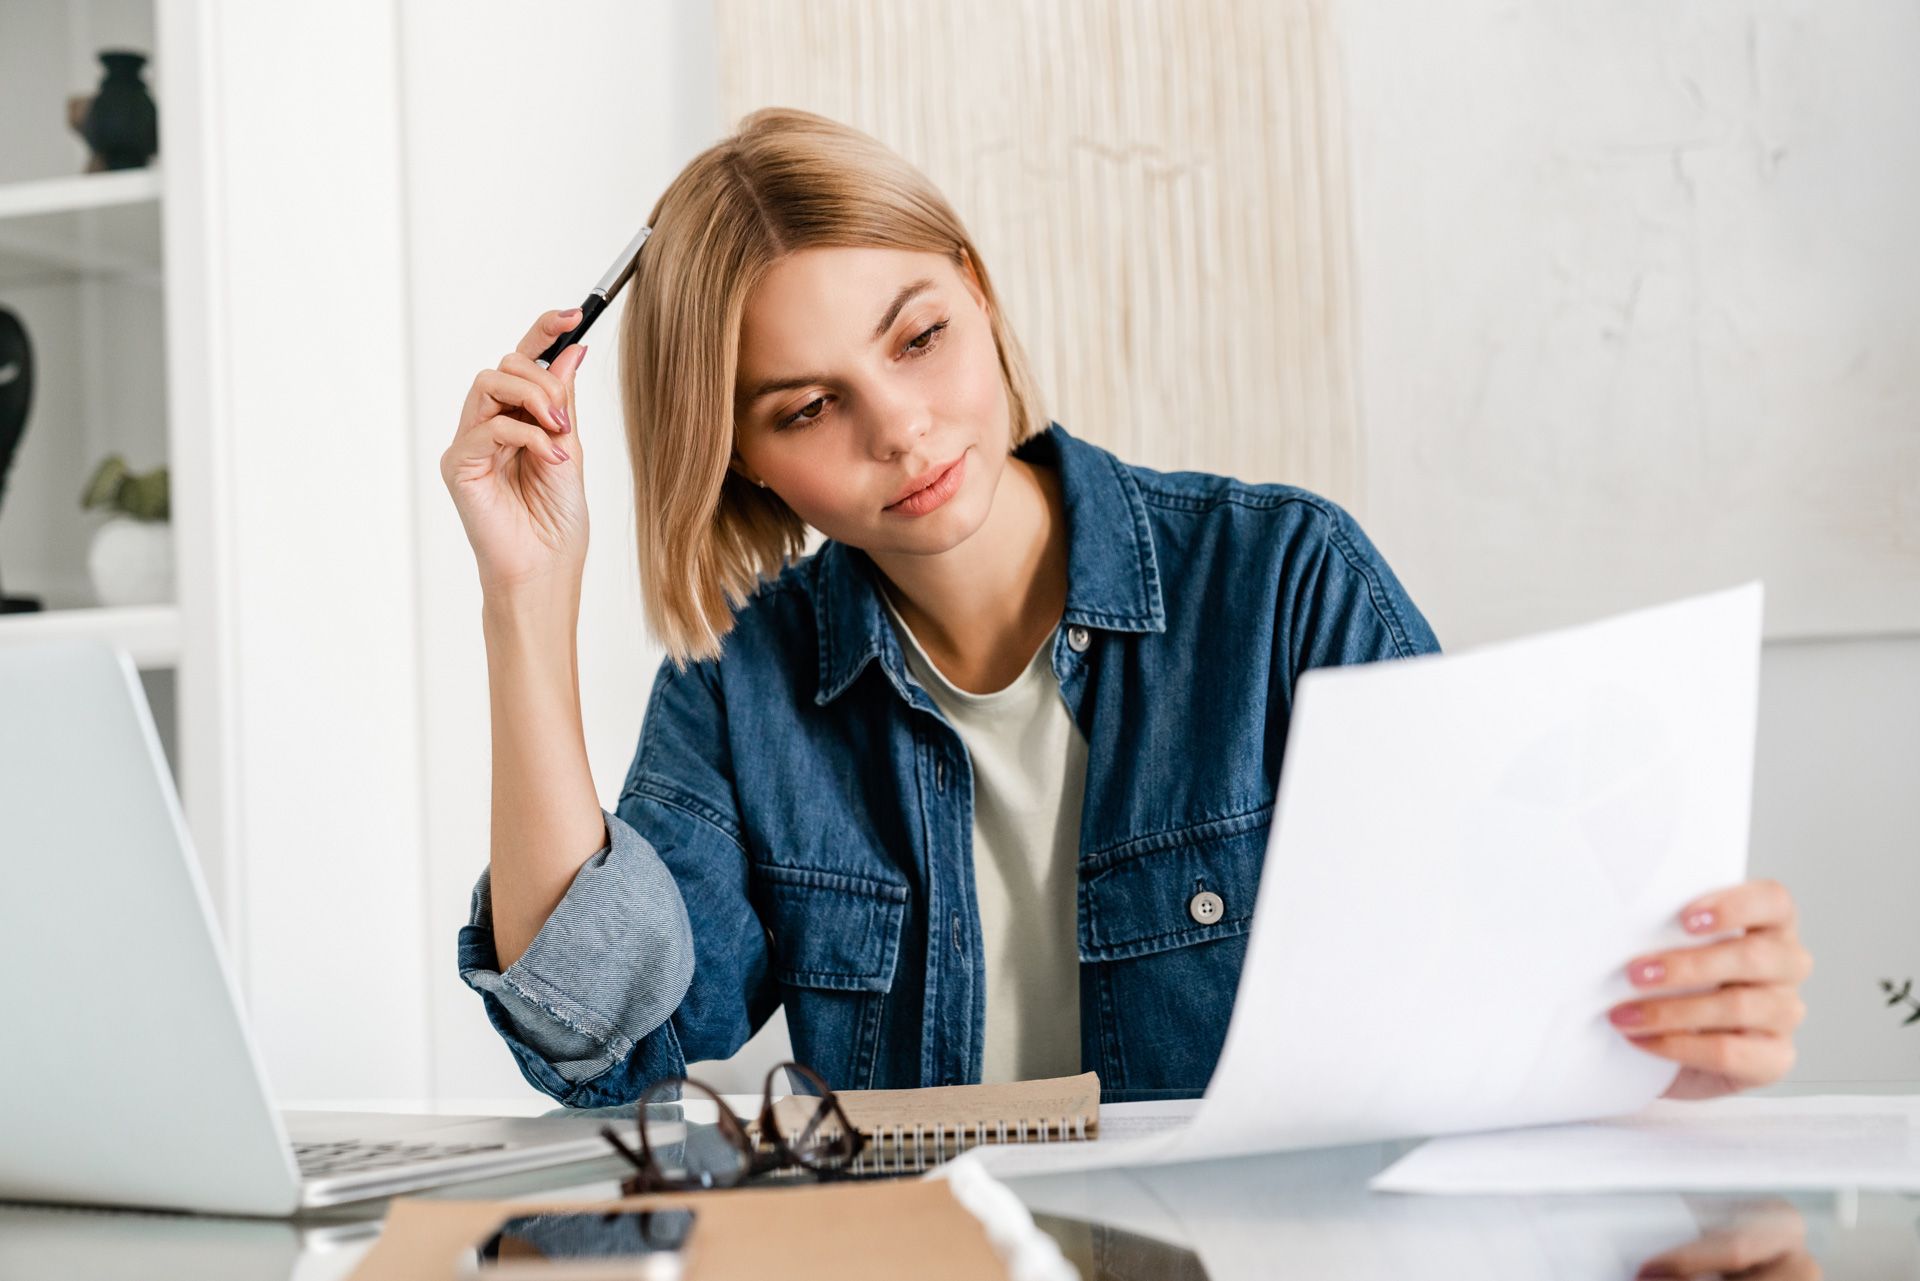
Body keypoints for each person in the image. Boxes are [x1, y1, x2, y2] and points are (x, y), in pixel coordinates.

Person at [441, 108, 1811, 1109]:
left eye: (918, 335)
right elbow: (611, 1039)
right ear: (742, 453)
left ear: (977, 289)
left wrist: (1675, 1041)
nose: (904, 430)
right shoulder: (740, 684)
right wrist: (525, 602)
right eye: (810, 407)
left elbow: (1493, 1013)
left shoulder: (1283, 584)